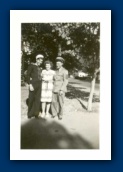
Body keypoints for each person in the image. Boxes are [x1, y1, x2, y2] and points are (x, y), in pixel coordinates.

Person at [26, 53, 44, 119]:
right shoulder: (31, 65)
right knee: (31, 99)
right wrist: (29, 84)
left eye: (42, 61)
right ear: (37, 60)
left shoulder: (40, 68)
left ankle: (36, 113)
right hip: (33, 84)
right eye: (40, 60)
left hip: (39, 84)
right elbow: (27, 75)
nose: (41, 62)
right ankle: (30, 114)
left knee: (37, 99)